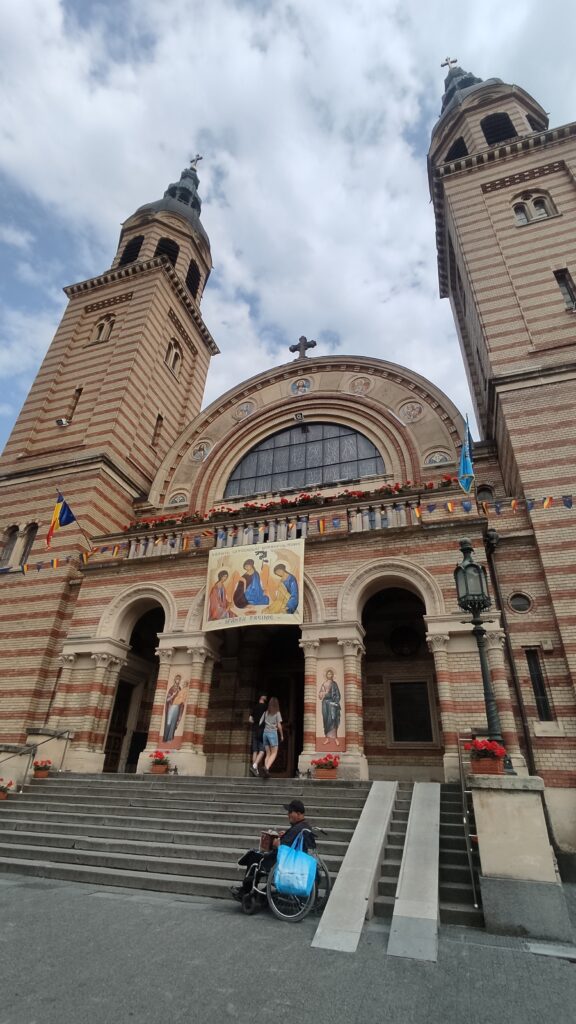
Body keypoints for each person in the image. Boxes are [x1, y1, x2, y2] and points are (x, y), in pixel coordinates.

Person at [230, 799, 316, 902]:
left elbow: (282, 846)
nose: (287, 815)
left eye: (290, 812)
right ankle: (252, 890)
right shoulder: (304, 826)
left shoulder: (297, 828)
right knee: (256, 855)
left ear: (298, 814)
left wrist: (276, 842)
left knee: (253, 856)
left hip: (281, 861)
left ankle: (246, 890)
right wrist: (285, 835)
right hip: (291, 858)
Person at [318, 668, 341, 745]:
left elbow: (338, 695)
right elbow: (320, 695)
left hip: (332, 704)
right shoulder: (324, 684)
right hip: (325, 704)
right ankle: (327, 738)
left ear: (332, 675)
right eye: (328, 674)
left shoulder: (334, 684)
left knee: (333, 720)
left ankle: (335, 738)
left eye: (330, 674)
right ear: (326, 675)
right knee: (326, 720)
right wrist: (323, 693)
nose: (329, 675)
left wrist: (335, 702)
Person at [163, 675, 188, 742]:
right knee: (168, 722)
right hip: (171, 707)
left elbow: (182, 698)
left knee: (174, 722)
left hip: (177, 707)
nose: (178, 681)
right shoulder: (171, 689)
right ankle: (166, 737)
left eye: (179, 679)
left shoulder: (180, 688)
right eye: (177, 679)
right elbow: (167, 700)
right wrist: (173, 695)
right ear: (175, 680)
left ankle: (170, 738)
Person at [262, 696, 283, 775]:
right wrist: (281, 735)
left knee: (268, 753)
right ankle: (266, 768)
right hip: (272, 734)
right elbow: (279, 725)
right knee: (274, 753)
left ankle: (266, 771)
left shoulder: (266, 712)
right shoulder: (277, 713)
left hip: (265, 734)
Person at [248, 692, 268, 777]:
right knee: (262, 750)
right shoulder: (265, 707)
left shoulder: (255, 707)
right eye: (265, 695)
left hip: (255, 729)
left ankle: (254, 770)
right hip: (262, 730)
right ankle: (254, 765)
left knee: (255, 750)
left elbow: (250, 719)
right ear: (262, 697)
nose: (266, 696)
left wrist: (255, 723)